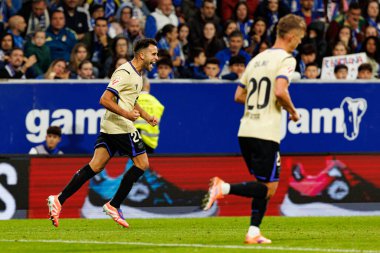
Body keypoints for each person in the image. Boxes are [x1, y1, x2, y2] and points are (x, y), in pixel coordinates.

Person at [203, 14, 306, 244]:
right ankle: (223, 187)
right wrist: (292, 110)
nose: (299, 42)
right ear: (290, 37)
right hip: (265, 132)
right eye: (299, 38)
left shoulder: (256, 59)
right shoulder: (287, 60)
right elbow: (280, 91)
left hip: (246, 130)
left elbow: (238, 95)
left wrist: (260, 99)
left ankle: (253, 232)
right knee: (269, 188)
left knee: (263, 184)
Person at [47, 38, 159, 228]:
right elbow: (104, 99)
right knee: (142, 163)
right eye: (153, 54)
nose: (156, 58)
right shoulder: (124, 72)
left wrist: (146, 116)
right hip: (120, 126)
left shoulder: (138, 75)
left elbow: (130, 99)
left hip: (110, 126)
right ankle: (114, 205)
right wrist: (127, 115)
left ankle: (59, 199)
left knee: (95, 166)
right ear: (142, 54)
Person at [134, 77, 165, 153]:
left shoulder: (131, 100)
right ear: (148, 86)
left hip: (132, 139)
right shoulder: (157, 103)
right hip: (150, 142)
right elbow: (157, 121)